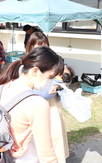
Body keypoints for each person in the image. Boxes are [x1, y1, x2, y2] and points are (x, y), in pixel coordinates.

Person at [0, 46, 63, 162]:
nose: (50, 82)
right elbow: (46, 155)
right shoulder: (37, 104)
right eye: (50, 77)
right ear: (35, 71)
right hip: (24, 157)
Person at [26, 32, 71, 163]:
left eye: (45, 46)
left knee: (54, 134)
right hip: (33, 106)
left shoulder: (54, 61)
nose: (42, 49)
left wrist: (60, 86)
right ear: (31, 47)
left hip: (52, 106)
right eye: (38, 46)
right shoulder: (26, 64)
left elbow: (67, 77)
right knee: (37, 138)